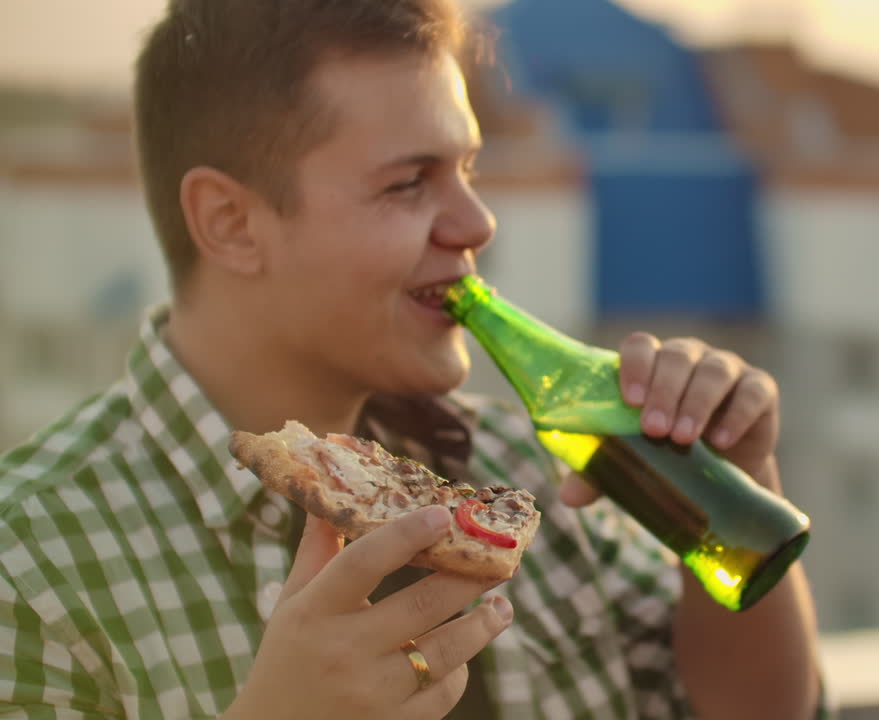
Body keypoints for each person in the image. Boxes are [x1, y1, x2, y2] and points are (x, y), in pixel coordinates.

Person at [0, 0, 825, 717]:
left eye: (466, 168)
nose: (477, 222)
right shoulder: (27, 561)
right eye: (408, 184)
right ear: (230, 223)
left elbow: (744, 710)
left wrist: (729, 493)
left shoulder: (522, 471)